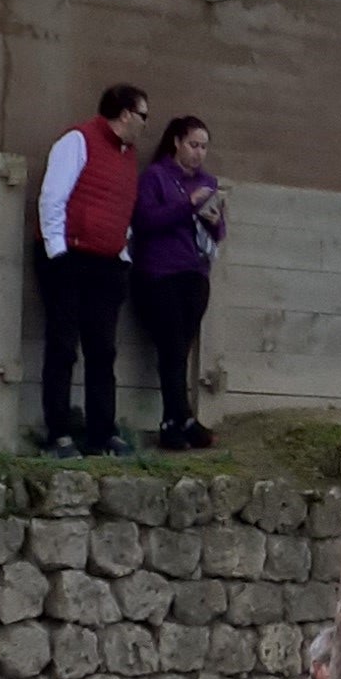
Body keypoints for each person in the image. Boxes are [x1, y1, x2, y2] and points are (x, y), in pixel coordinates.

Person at [33, 79, 148, 456]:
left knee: (103, 351)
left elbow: (122, 209)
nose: (145, 125)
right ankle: (58, 433)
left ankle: (101, 433)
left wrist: (123, 256)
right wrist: (58, 252)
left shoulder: (126, 155)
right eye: (143, 116)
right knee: (63, 347)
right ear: (126, 114)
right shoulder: (78, 141)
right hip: (71, 257)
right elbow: (53, 196)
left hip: (107, 262)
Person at [129, 111, 225, 452]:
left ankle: (180, 419)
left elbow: (219, 231)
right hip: (160, 273)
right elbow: (146, 220)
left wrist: (213, 220)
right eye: (193, 145)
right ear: (177, 143)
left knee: (181, 349)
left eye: (204, 147)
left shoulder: (207, 182)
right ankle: (176, 420)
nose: (199, 153)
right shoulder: (156, 177)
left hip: (194, 273)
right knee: (170, 348)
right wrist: (187, 205)